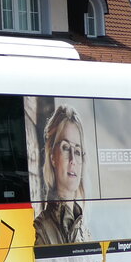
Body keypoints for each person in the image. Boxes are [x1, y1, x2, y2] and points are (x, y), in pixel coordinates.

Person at [33, 105, 91, 245]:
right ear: (53, 156)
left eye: (77, 151)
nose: (73, 160)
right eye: (65, 148)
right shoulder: (41, 229)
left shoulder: (84, 228)